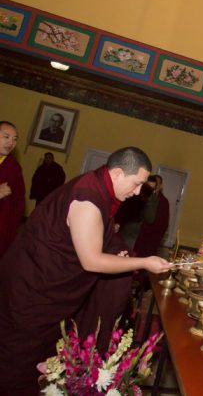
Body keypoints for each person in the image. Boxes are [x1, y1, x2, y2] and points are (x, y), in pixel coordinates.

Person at [0, 147, 172, 395]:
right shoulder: (88, 198)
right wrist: (144, 262)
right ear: (117, 173)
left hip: (45, 290)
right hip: (32, 291)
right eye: (136, 184)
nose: (137, 192)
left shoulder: (99, 187)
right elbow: (91, 261)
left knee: (35, 361)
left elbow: (100, 233)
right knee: (15, 362)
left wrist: (115, 248)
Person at [0, 121, 25, 259]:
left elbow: (18, 204)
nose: (11, 142)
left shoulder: (14, 168)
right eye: (6, 136)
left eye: (15, 139)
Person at [134, 174, 170, 258]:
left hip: (152, 237)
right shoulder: (141, 195)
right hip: (137, 235)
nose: (154, 186)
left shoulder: (163, 201)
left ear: (160, 186)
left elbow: (164, 223)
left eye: (157, 184)